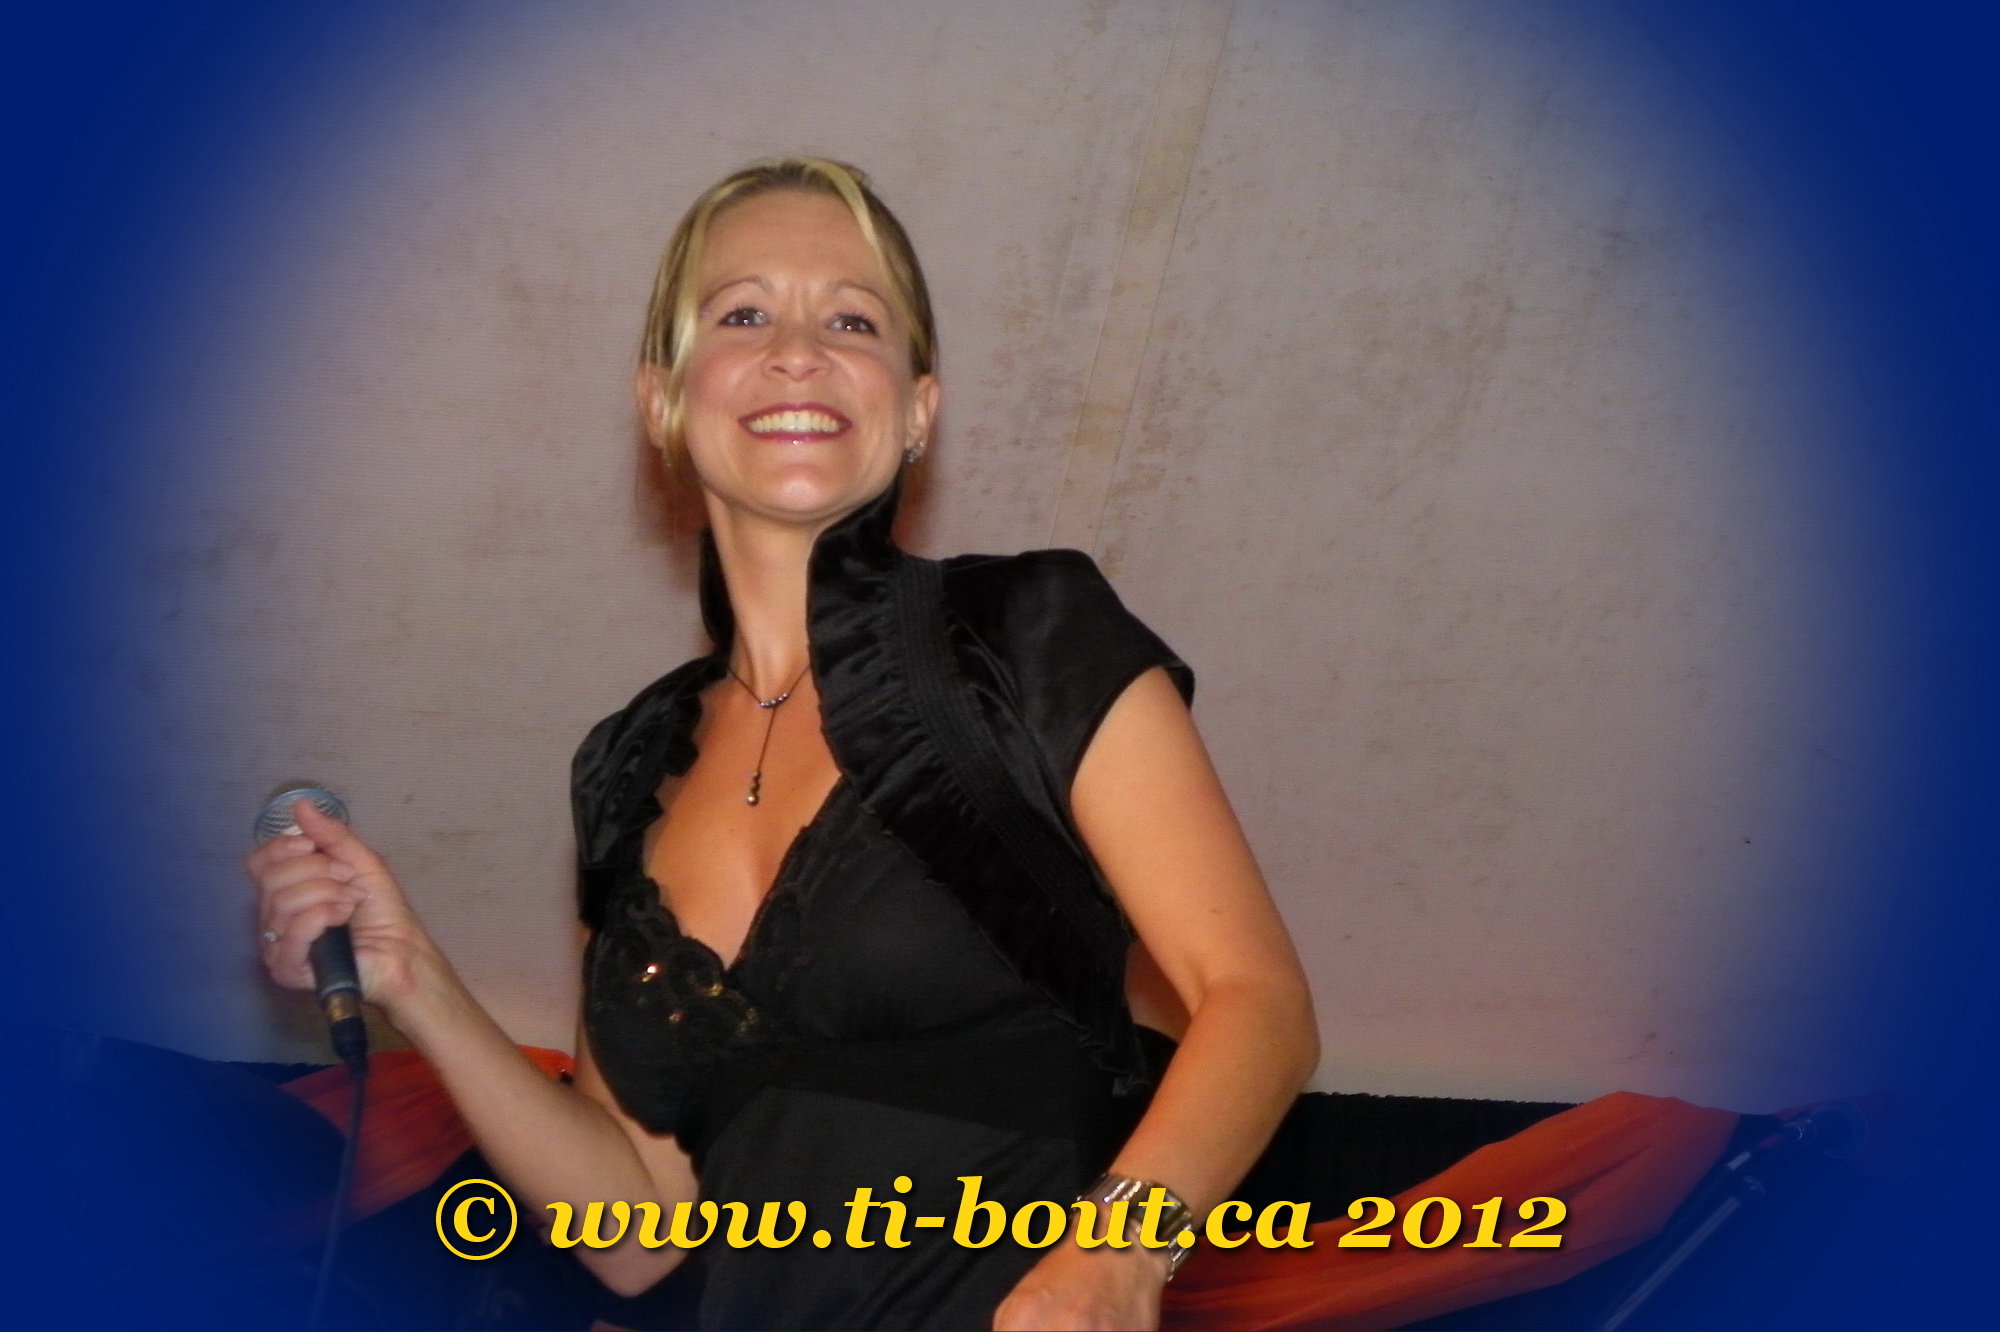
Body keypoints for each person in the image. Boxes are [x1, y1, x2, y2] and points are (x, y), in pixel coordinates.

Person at [248, 157, 1318, 1331]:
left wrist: (1118, 1256)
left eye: (851, 321)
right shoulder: (623, 769)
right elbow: (635, 1236)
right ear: (662, 399)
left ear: (918, 407)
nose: (798, 351)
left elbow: (1255, 1002)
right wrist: (414, 980)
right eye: (743, 314)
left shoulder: (1028, 631)